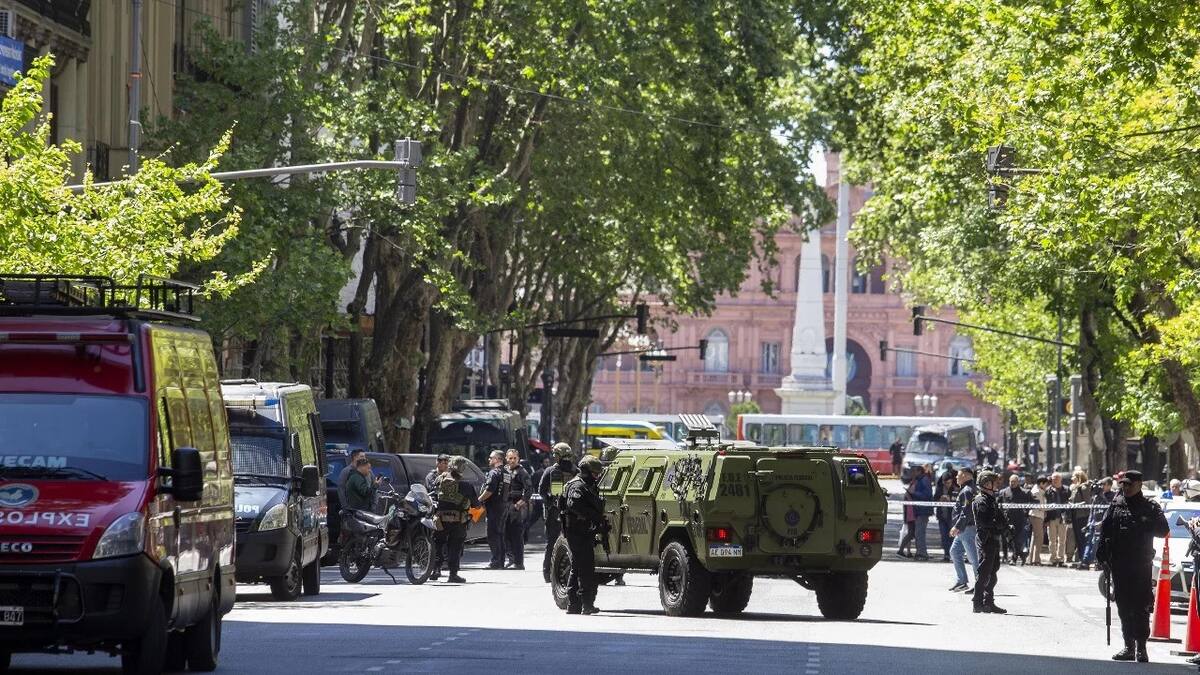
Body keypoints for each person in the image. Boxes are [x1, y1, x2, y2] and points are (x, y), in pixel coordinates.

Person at [1096, 470, 1169, 663]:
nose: (1125, 488)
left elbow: (1164, 530)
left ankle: (1141, 648)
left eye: (1129, 484)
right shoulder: (1116, 505)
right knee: (1123, 605)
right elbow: (1105, 531)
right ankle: (1129, 646)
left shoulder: (1150, 507)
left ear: (1139, 485)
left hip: (1140, 564)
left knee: (1141, 605)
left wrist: (1144, 524)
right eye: (1123, 484)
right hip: (1119, 563)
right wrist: (1101, 554)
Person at [562, 455, 607, 615]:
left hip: (583, 531)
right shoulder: (577, 486)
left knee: (577, 567)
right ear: (587, 471)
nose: (597, 476)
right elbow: (573, 505)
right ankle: (586, 604)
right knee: (586, 569)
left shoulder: (587, 485)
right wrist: (594, 517)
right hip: (578, 531)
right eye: (595, 473)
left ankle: (573, 605)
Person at [431, 456, 478, 583]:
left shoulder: (439, 480)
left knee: (438, 544)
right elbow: (476, 505)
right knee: (455, 547)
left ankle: (436, 570)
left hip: (440, 519)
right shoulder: (466, 486)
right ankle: (453, 574)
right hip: (458, 521)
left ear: (450, 466)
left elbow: (432, 496)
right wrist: (470, 515)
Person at [539, 442, 578, 582]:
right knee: (573, 543)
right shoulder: (576, 471)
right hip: (572, 513)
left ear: (557, 456)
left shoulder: (550, 471)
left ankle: (548, 574)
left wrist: (551, 504)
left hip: (554, 513)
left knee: (551, 543)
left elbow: (542, 491)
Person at [972, 470, 1008, 614]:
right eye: (994, 482)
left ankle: (989, 602)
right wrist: (997, 524)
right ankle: (977, 602)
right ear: (987, 484)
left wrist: (1005, 525)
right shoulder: (981, 500)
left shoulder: (991, 499)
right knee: (984, 573)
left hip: (993, 539)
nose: (997, 484)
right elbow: (983, 521)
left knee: (992, 573)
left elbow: (997, 518)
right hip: (986, 539)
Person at [949, 468, 979, 593]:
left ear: (966, 476)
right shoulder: (966, 489)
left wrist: (957, 526)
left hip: (967, 529)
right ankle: (962, 581)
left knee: (973, 558)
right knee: (955, 552)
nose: (956, 477)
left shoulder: (967, 490)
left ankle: (980, 584)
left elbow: (967, 512)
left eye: (959, 475)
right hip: (963, 530)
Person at [502, 448, 533, 569]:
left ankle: (519, 562)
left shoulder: (522, 472)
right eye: (510, 458)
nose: (512, 460)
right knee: (506, 533)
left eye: (515, 458)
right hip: (505, 505)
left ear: (518, 459)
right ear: (506, 458)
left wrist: (521, 503)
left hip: (516, 505)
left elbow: (529, 489)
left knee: (516, 535)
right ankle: (511, 559)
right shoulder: (505, 470)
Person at [478, 450, 508, 569]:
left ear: (497, 459)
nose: (489, 460)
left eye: (491, 458)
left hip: (494, 507)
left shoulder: (494, 473)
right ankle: (500, 561)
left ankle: (496, 561)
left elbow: (489, 490)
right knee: (499, 534)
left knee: (492, 535)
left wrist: (479, 500)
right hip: (503, 506)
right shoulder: (506, 473)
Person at [1078, 477, 1114, 570]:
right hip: (1093, 523)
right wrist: (1089, 523)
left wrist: (1103, 522)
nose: (1102, 487)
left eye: (1104, 485)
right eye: (1101, 485)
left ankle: (1098, 562)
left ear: (1109, 485)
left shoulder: (1112, 496)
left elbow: (1110, 511)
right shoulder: (1096, 497)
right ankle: (1085, 562)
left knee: (1097, 543)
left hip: (1103, 524)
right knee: (1089, 542)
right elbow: (1092, 511)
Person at [898, 465, 932, 560]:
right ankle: (920, 552)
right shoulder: (918, 480)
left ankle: (922, 554)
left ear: (919, 472)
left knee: (919, 533)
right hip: (918, 511)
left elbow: (927, 495)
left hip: (923, 511)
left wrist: (913, 494)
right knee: (917, 533)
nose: (912, 473)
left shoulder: (924, 480)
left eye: (914, 471)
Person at [998, 474, 1032, 564]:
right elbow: (998, 503)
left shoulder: (1025, 492)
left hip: (1019, 519)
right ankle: (1016, 555)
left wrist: (1026, 513)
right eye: (1011, 481)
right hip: (1007, 519)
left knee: (1017, 540)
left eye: (1014, 481)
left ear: (1018, 482)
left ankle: (1014, 557)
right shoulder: (1003, 492)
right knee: (1007, 539)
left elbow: (1033, 503)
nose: (1012, 483)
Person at [1044, 472, 1071, 566]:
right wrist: (1046, 520)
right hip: (1051, 518)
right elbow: (1045, 506)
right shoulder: (1047, 491)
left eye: (1056, 478)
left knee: (1062, 540)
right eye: (1053, 479)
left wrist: (1068, 518)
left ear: (1060, 480)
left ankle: (1061, 559)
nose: (1054, 480)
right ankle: (1053, 558)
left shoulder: (1067, 490)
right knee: (1052, 540)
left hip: (1062, 518)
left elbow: (1069, 504)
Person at [526, 456, 553, 543]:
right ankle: (524, 534)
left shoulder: (550, 473)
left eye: (548, 462)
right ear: (542, 463)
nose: (547, 464)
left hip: (545, 500)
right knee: (534, 519)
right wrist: (532, 499)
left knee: (545, 520)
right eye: (545, 462)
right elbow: (532, 486)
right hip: (539, 500)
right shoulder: (538, 473)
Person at [933, 469, 958, 562]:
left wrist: (950, 499)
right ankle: (946, 554)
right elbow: (934, 500)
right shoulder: (939, 489)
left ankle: (953, 555)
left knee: (952, 536)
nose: (949, 484)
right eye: (947, 483)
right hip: (942, 516)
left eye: (950, 482)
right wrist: (940, 499)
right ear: (943, 482)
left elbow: (958, 502)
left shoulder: (955, 489)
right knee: (944, 537)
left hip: (952, 517)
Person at [1068, 470, 1091, 563]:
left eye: (1073, 476)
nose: (1071, 478)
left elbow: (1087, 502)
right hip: (1075, 516)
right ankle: (1081, 558)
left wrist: (1076, 505)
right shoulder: (1074, 488)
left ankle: (1084, 559)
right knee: (1078, 538)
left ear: (1078, 477)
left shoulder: (1084, 487)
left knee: (1082, 538)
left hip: (1082, 516)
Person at [1027, 476, 1048, 565]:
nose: (1046, 486)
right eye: (1045, 484)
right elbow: (1041, 506)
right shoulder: (1037, 492)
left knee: (1034, 537)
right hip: (1037, 515)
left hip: (1036, 515)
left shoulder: (1037, 490)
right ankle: (1036, 559)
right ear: (1041, 483)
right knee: (1039, 538)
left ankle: (1031, 558)